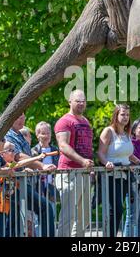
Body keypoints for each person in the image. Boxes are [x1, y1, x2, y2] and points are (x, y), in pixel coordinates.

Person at [55, 90, 94, 237]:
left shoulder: (85, 121)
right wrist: (83, 161)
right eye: (78, 101)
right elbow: (63, 146)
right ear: (69, 102)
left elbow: (87, 147)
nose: (81, 103)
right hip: (69, 173)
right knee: (68, 216)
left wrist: (89, 166)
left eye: (83, 100)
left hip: (83, 174)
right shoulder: (64, 121)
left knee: (84, 218)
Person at [0, 141, 56, 237]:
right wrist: (38, 158)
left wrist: (23, 171)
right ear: (2, 153)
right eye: (10, 150)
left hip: (12, 197)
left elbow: (17, 165)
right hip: (4, 200)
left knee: (14, 224)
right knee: (9, 225)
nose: (14, 152)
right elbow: (18, 164)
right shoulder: (3, 163)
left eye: (14, 150)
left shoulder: (11, 163)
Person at [98, 104, 138, 237]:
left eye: (127, 114)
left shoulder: (127, 133)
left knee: (125, 209)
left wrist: (138, 161)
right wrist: (106, 162)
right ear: (116, 115)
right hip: (111, 175)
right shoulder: (108, 131)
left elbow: (127, 153)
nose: (126, 117)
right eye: (123, 114)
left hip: (125, 176)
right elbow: (101, 153)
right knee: (115, 210)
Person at [31, 121, 59, 214]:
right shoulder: (33, 151)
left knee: (53, 213)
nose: (47, 136)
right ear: (37, 135)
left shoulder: (55, 150)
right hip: (38, 187)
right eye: (43, 133)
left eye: (48, 133)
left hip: (52, 187)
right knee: (38, 213)